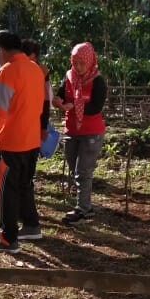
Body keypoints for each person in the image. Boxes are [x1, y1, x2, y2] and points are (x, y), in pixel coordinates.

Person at [0, 31, 46, 253]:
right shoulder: (35, 69)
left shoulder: (8, 71)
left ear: (0, 49)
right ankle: (31, 225)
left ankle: (8, 238)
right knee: (25, 185)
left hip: (10, 142)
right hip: (31, 140)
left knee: (5, 190)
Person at [53, 42, 106, 225]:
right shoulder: (69, 77)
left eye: (82, 63)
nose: (78, 67)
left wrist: (74, 105)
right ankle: (83, 205)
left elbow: (95, 107)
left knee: (83, 171)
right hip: (72, 130)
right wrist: (58, 101)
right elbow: (62, 95)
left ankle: (83, 209)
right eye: (75, 63)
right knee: (74, 170)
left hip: (91, 132)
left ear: (90, 61)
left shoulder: (98, 81)